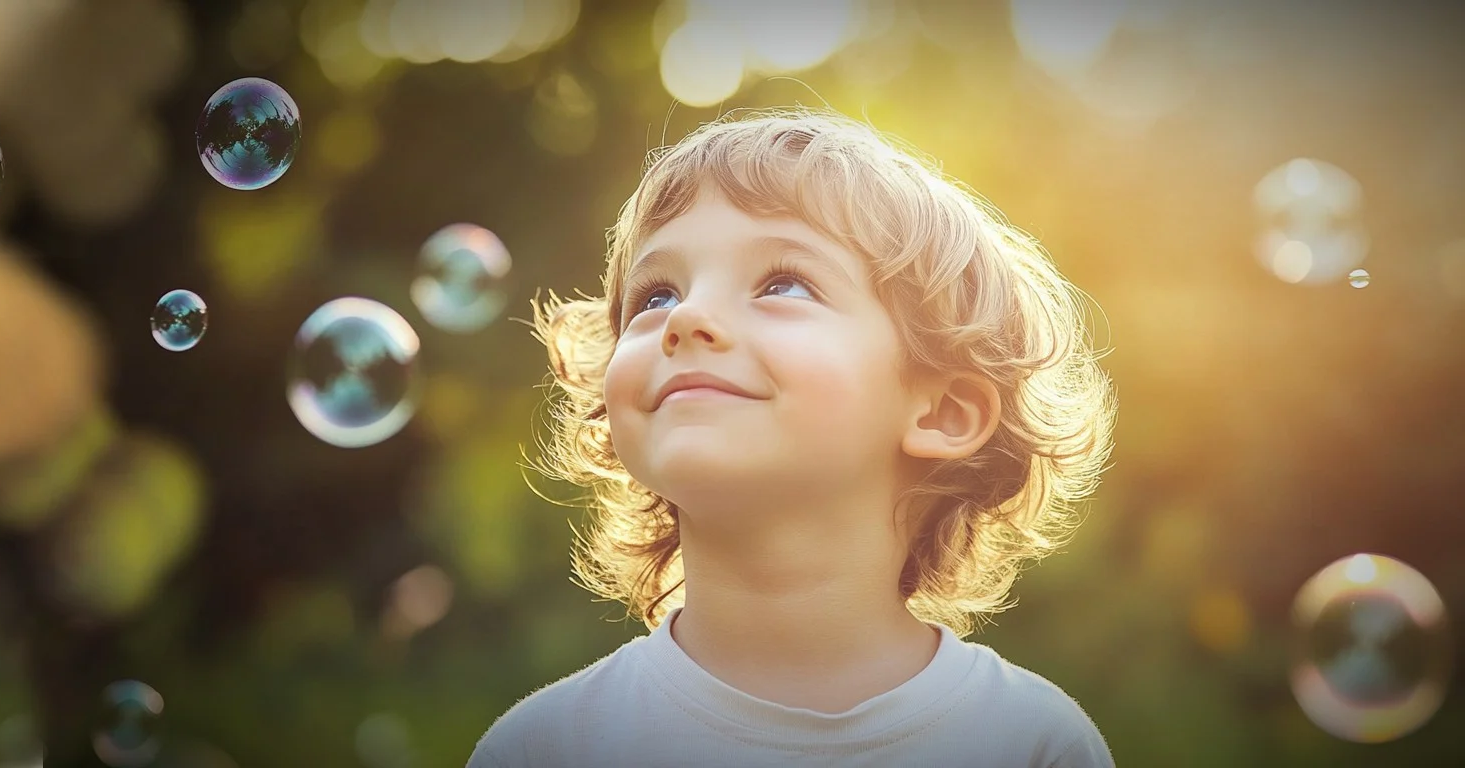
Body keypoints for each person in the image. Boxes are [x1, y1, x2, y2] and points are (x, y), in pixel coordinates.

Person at [469, 107, 1118, 767]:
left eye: (784, 283)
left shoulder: (1029, 745)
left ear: (943, 411)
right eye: (656, 294)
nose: (686, 316)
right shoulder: (546, 748)